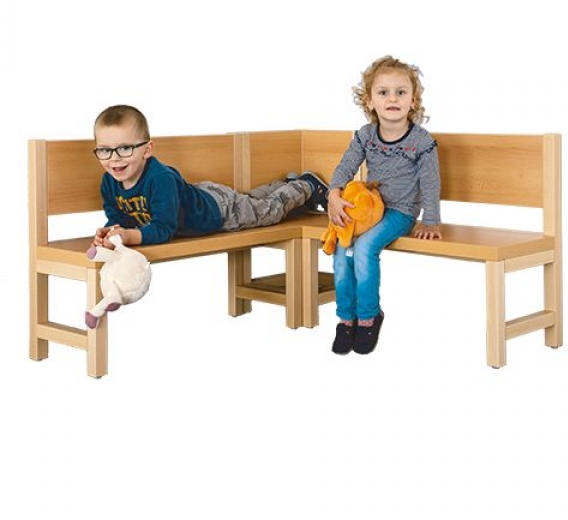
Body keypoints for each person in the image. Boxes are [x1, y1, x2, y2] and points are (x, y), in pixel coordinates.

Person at [91, 105, 328, 251]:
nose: (114, 159)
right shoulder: (109, 182)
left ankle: (306, 185)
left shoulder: (160, 178)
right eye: (104, 150)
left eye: (125, 148)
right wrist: (110, 232)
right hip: (204, 196)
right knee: (252, 202)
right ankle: (285, 186)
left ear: (147, 149)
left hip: (219, 213)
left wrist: (128, 237)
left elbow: (164, 230)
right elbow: (118, 217)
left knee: (268, 212)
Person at [327, 55, 442, 355]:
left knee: (364, 248)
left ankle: (368, 318)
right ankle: (346, 319)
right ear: (370, 100)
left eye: (400, 92)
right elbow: (345, 167)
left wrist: (430, 221)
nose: (392, 99)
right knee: (342, 248)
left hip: (400, 212)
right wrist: (333, 195)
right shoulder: (365, 136)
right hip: (369, 208)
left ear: (413, 100)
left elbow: (430, 183)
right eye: (383, 92)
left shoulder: (421, 141)